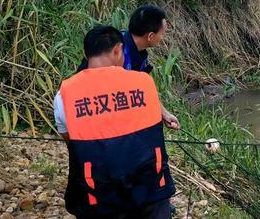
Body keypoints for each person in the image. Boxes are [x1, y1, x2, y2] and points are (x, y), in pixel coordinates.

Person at [54, 25, 176, 218]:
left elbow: (71, 143)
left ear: (86, 56)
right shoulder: (144, 83)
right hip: (150, 189)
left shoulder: (65, 94)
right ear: (118, 49)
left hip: (99, 195)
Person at [77, 5, 180, 130]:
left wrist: (164, 113)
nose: (162, 38)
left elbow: (141, 89)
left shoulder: (139, 53)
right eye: (162, 34)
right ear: (150, 36)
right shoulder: (115, 52)